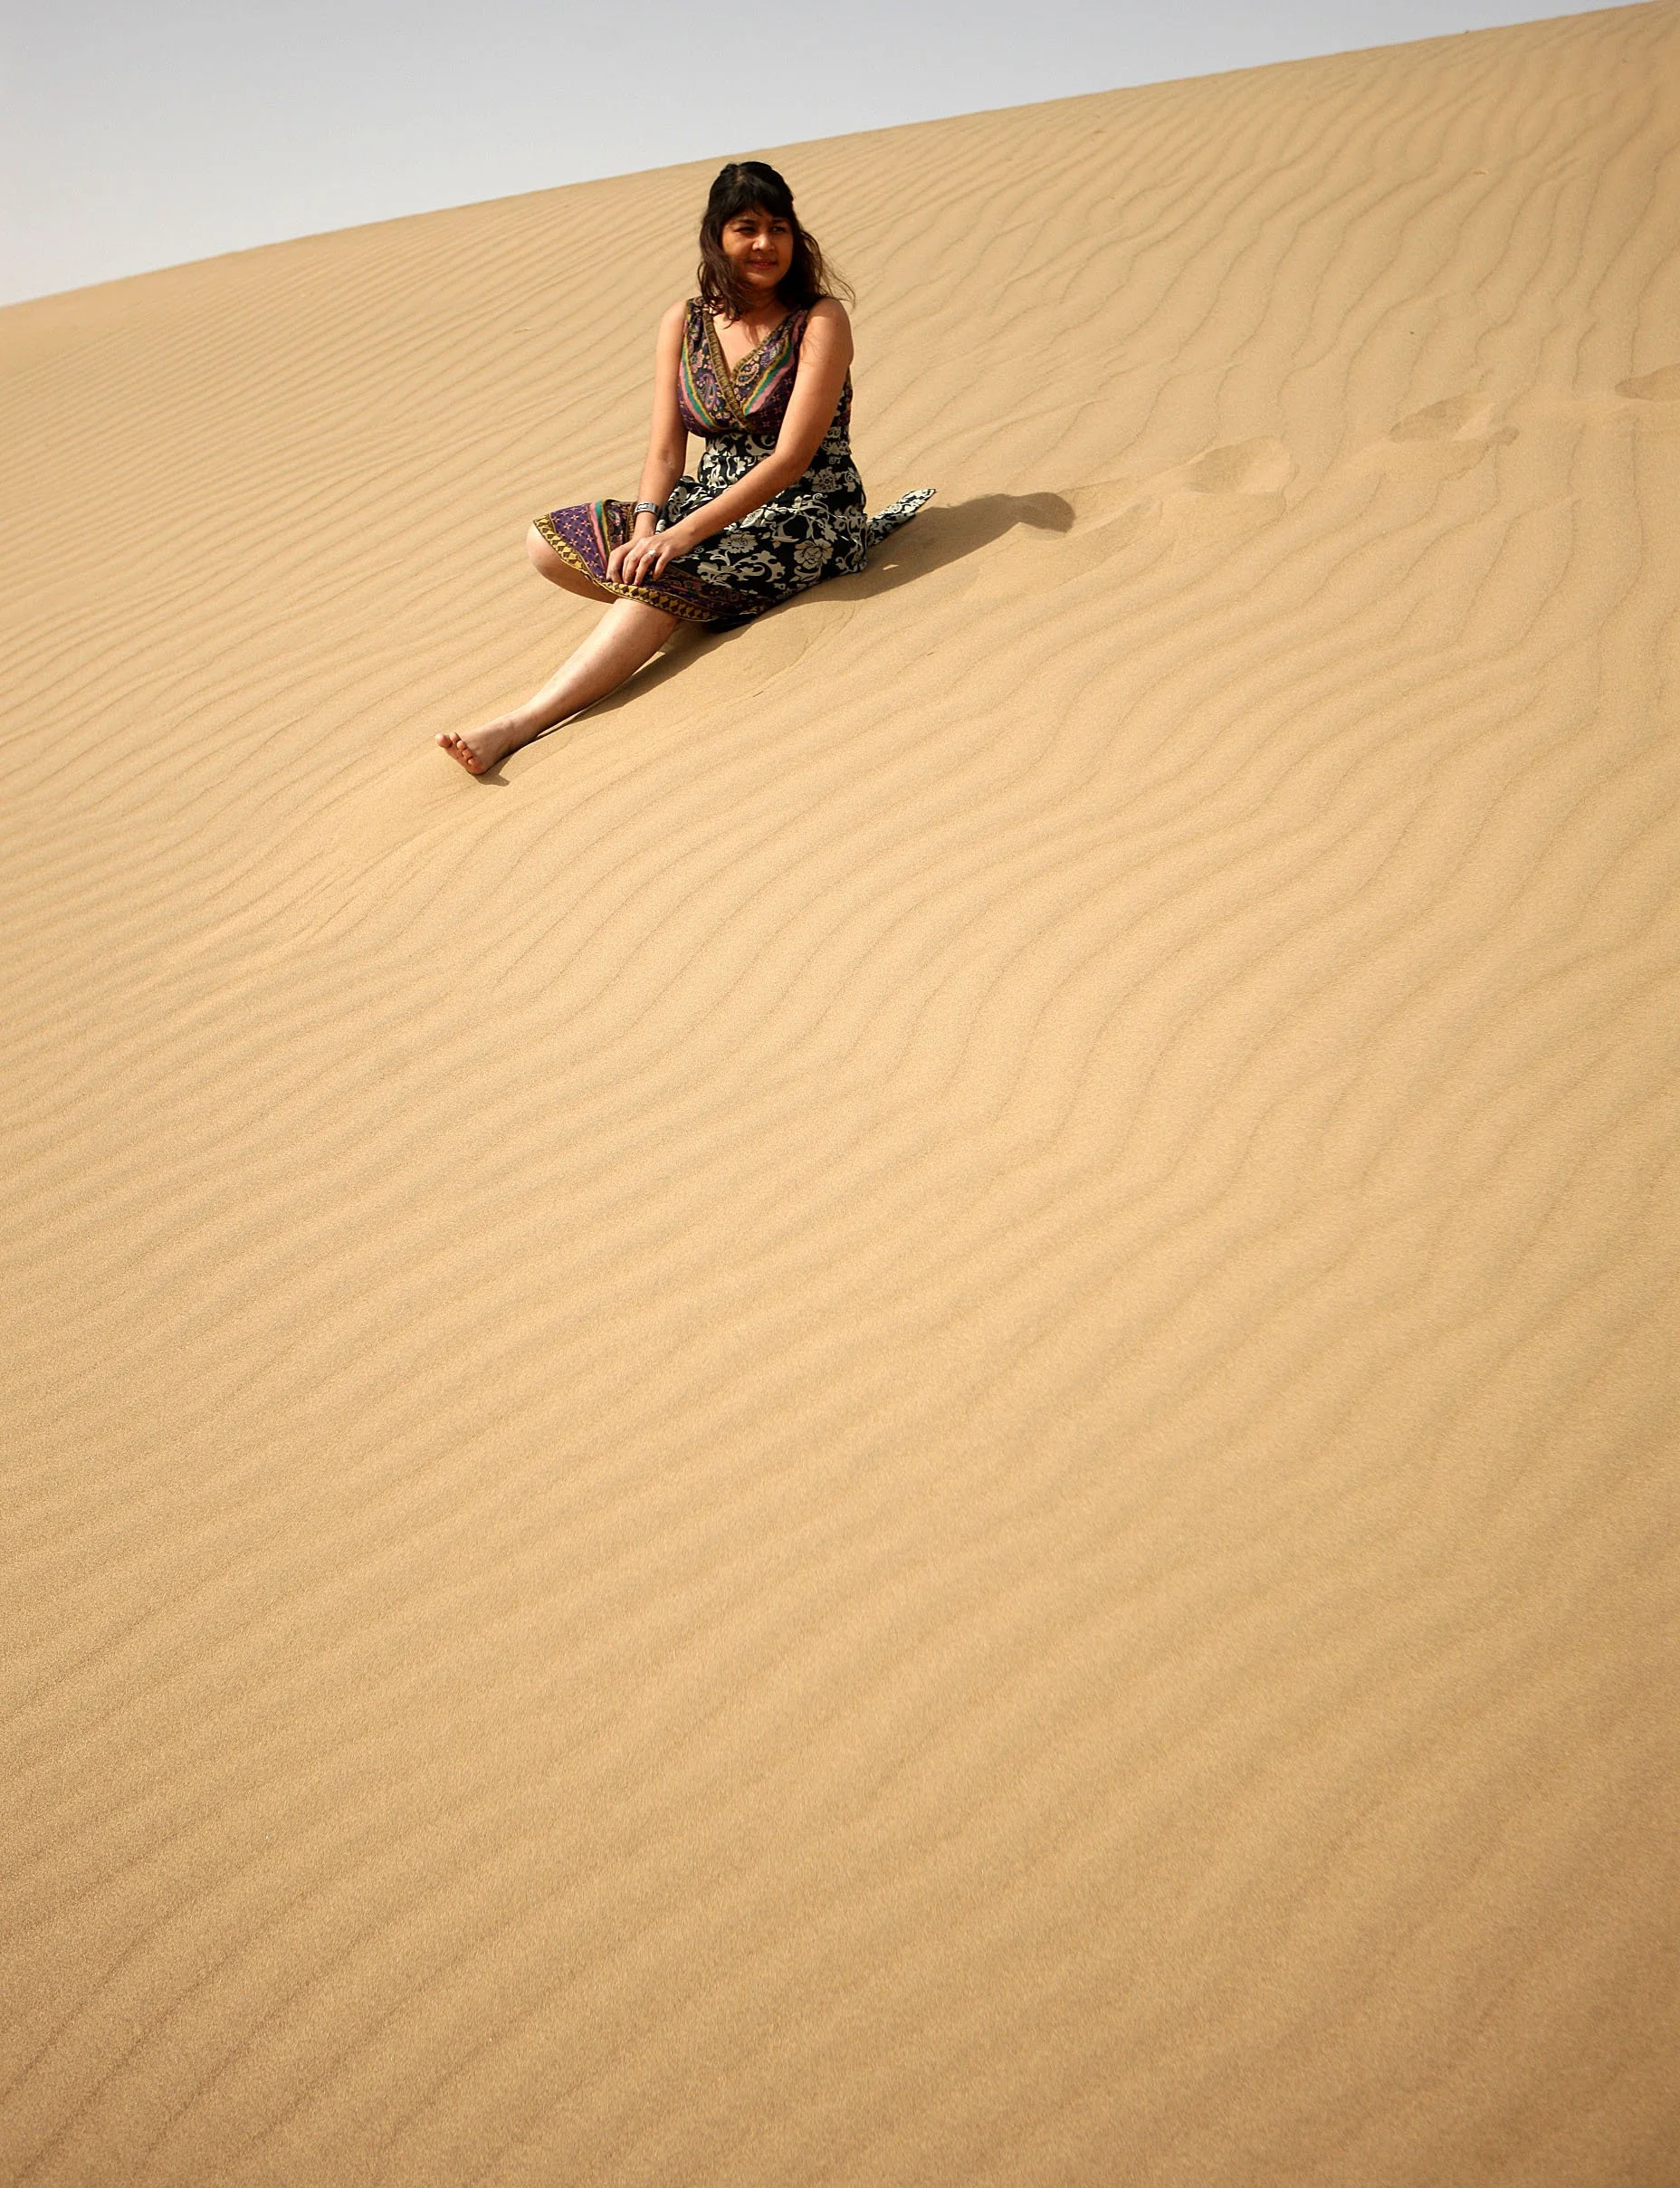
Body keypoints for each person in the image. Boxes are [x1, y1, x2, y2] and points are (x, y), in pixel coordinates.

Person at [437, 161, 933, 774]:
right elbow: (667, 452)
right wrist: (648, 528)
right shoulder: (686, 320)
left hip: (807, 515)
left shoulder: (820, 319)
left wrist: (681, 538)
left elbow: (790, 459)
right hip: (702, 506)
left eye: (778, 228)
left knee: (657, 581)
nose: (763, 244)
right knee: (546, 544)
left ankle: (519, 724)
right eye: (746, 228)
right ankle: (692, 600)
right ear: (716, 238)